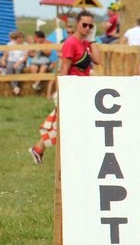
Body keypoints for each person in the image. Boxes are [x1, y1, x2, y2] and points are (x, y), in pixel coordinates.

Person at [29, 10, 101, 164]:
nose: (87, 28)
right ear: (77, 24)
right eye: (85, 25)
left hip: (84, 89)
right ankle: (40, 149)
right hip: (73, 89)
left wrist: (93, 39)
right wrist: (62, 91)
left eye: (90, 25)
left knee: (62, 124)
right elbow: (64, 69)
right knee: (63, 125)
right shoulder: (71, 43)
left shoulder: (86, 43)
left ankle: (38, 149)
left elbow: (97, 60)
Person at [0, 31, 27, 96]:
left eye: (21, 38)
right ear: (16, 38)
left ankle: (16, 85)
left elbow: (25, 57)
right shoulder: (9, 44)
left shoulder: (25, 45)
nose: (20, 39)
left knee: (18, 68)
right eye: (19, 38)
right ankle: (15, 87)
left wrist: (18, 62)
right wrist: (3, 60)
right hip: (11, 60)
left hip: (20, 61)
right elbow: (5, 54)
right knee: (9, 67)